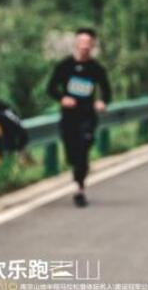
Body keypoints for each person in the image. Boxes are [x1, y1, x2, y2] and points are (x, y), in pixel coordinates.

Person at [47, 28, 111, 207]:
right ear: (76, 44)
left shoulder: (96, 68)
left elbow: (106, 91)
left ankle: (79, 189)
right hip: (69, 116)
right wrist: (62, 98)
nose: (84, 46)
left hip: (87, 116)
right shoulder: (65, 66)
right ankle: (77, 169)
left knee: (83, 148)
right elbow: (51, 88)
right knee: (72, 153)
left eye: (88, 43)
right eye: (81, 43)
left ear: (92, 45)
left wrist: (102, 102)